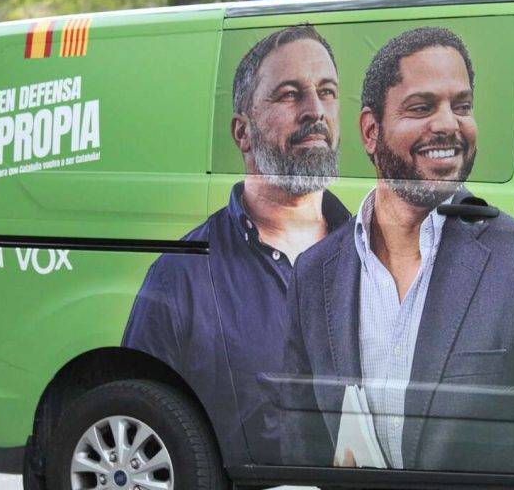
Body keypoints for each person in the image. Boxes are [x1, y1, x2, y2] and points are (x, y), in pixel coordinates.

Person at [280, 27, 514, 477]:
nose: (448, 124)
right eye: (422, 107)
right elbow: (299, 452)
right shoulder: (315, 272)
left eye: (461, 106)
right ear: (370, 131)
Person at [122, 25, 350, 465]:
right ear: (242, 133)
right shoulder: (181, 276)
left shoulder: (378, 258)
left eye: (327, 92)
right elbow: (142, 421)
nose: (315, 111)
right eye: (289, 95)